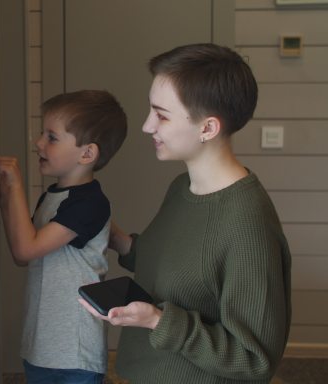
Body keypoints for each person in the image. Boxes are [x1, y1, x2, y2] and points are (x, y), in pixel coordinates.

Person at [78, 43, 292, 383]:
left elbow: (254, 360)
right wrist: (117, 241)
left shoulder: (249, 227)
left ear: (207, 128)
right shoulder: (182, 188)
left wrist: (158, 321)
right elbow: (176, 267)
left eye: (161, 115)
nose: (148, 126)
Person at [0, 89, 127, 383]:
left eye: (51, 137)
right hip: (43, 343)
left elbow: (27, 248)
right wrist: (5, 197)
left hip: (73, 351)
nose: (38, 143)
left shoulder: (89, 203)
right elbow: (21, 253)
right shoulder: (54, 196)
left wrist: (15, 188)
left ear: (87, 153)